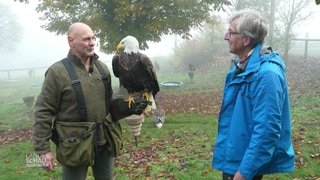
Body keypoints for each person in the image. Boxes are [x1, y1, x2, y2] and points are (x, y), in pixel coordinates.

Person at [33, 22, 148, 180]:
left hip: (105, 141)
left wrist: (128, 106)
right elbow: (43, 111)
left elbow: (109, 103)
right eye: (86, 39)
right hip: (74, 145)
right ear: (71, 41)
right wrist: (42, 149)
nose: (92, 42)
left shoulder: (102, 68)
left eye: (93, 38)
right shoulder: (57, 72)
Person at [212, 9, 294, 180]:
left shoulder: (267, 75)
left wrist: (244, 173)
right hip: (236, 159)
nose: (226, 37)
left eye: (231, 32)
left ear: (246, 40)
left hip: (245, 166)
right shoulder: (243, 67)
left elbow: (267, 131)